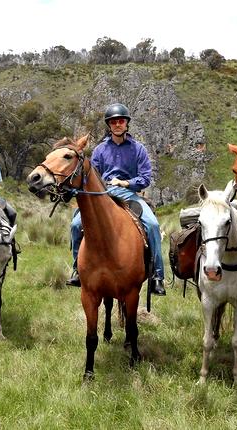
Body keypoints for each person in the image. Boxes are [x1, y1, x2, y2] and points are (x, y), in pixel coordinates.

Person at [66, 103, 166, 296]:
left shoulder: (139, 149)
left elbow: (145, 178)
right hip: (103, 196)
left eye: (121, 121)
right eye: (113, 121)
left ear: (126, 124)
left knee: (152, 225)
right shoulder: (100, 150)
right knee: (75, 225)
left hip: (130, 195)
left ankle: (157, 276)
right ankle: (78, 270)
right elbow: (90, 176)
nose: (117, 124)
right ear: (109, 125)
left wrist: (126, 183)